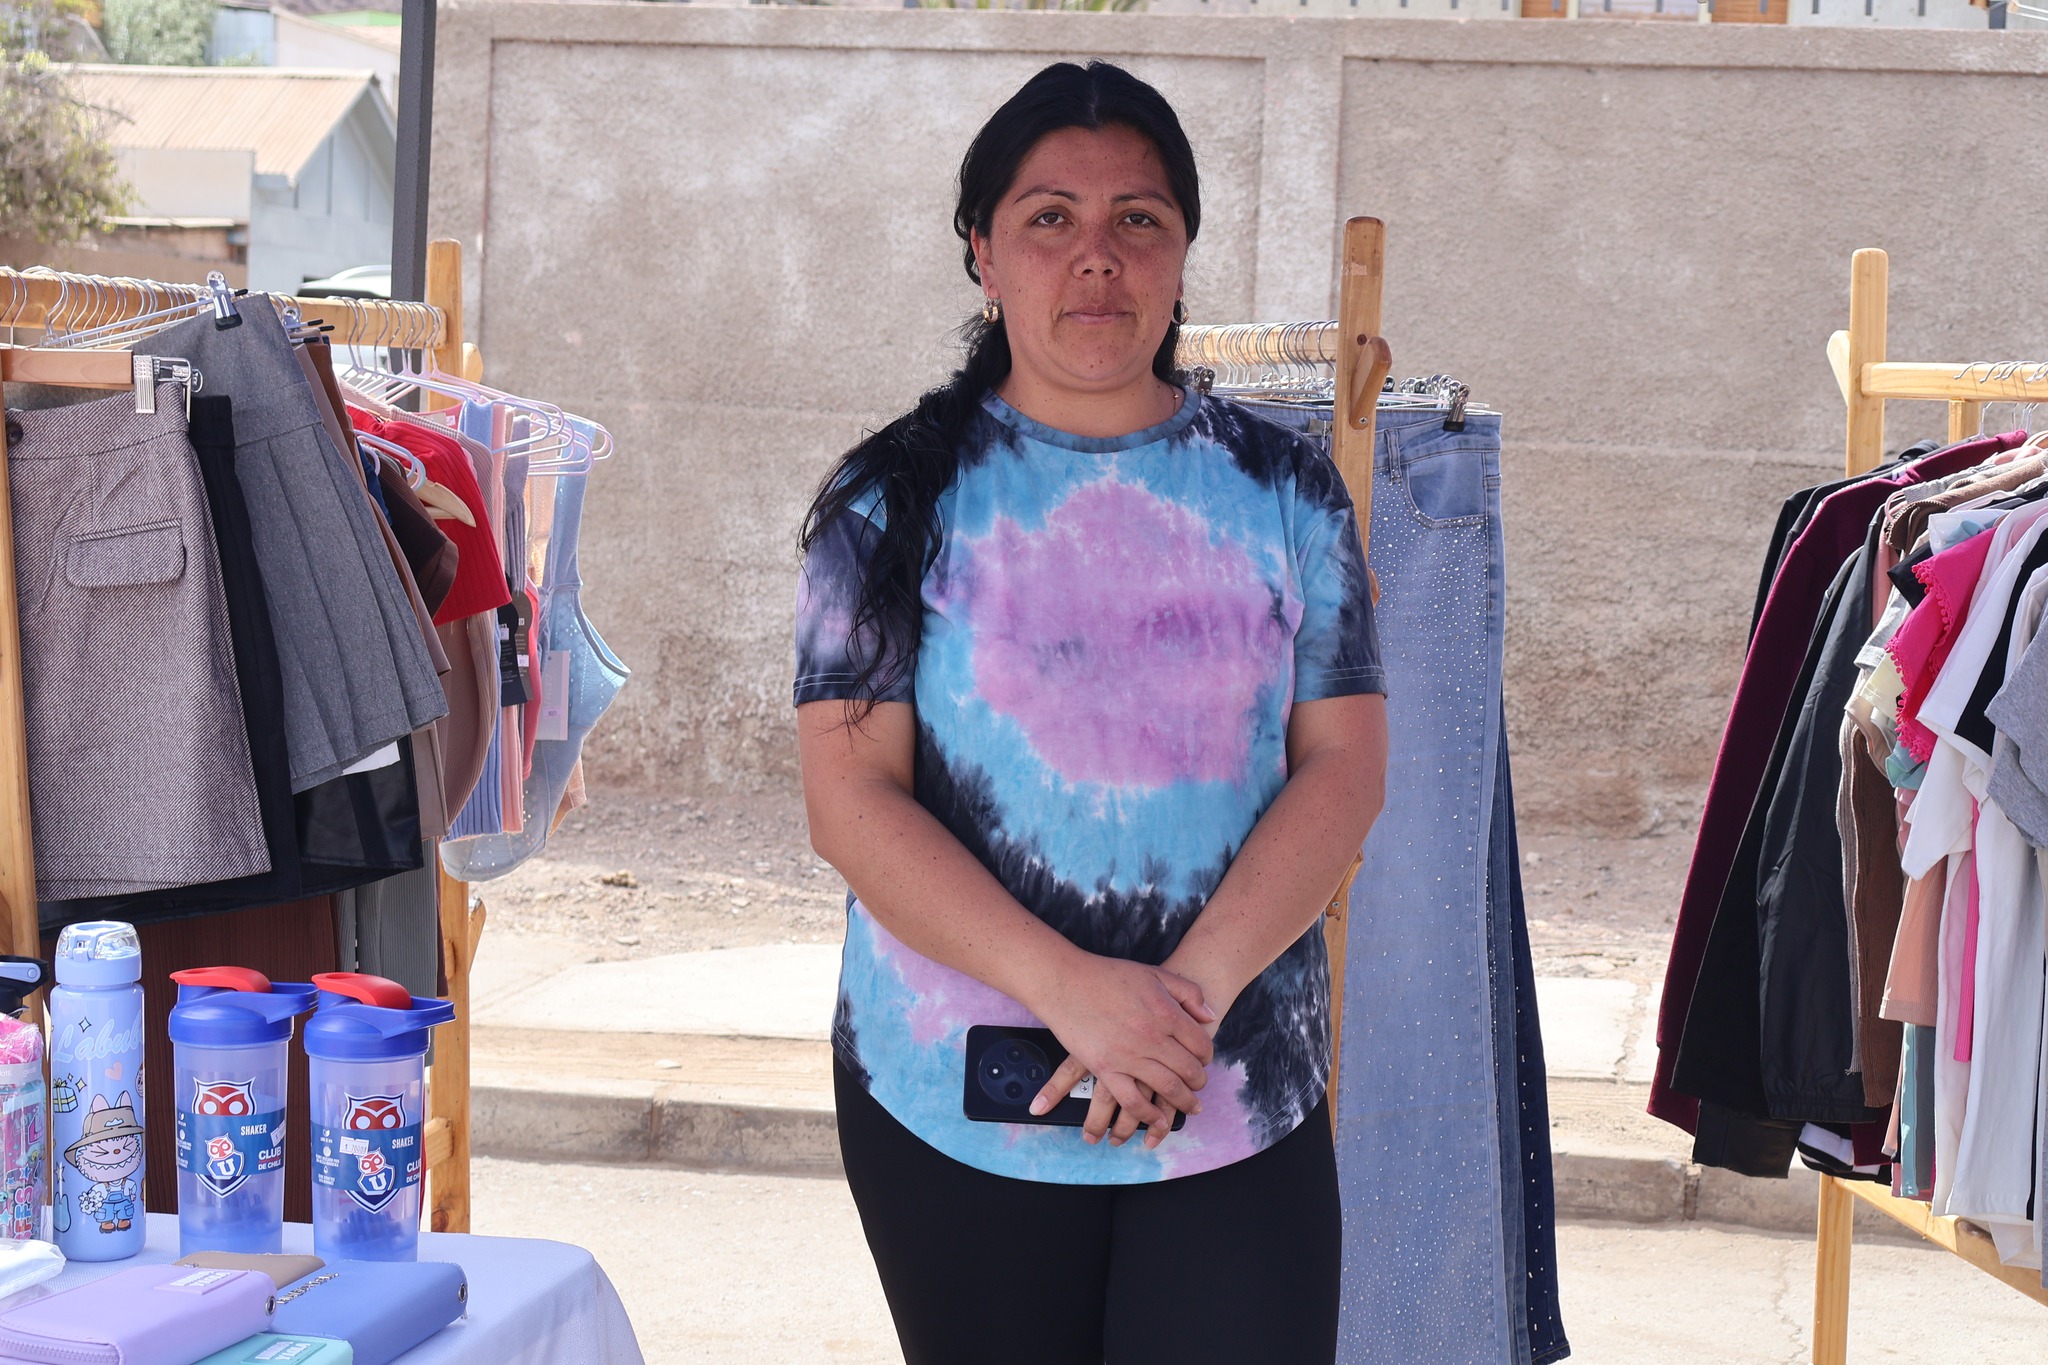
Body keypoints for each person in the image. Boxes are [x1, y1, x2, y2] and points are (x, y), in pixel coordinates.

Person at [793, 60, 1388, 1365]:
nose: (1097, 258)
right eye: (1050, 218)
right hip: (954, 1094)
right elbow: (850, 803)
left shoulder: (1285, 492)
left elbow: (1342, 766)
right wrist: (1076, 993)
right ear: (983, 254)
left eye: (1139, 220)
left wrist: (1178, 1006)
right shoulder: (888, 502)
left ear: (1182, 254)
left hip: (1229, 1083)